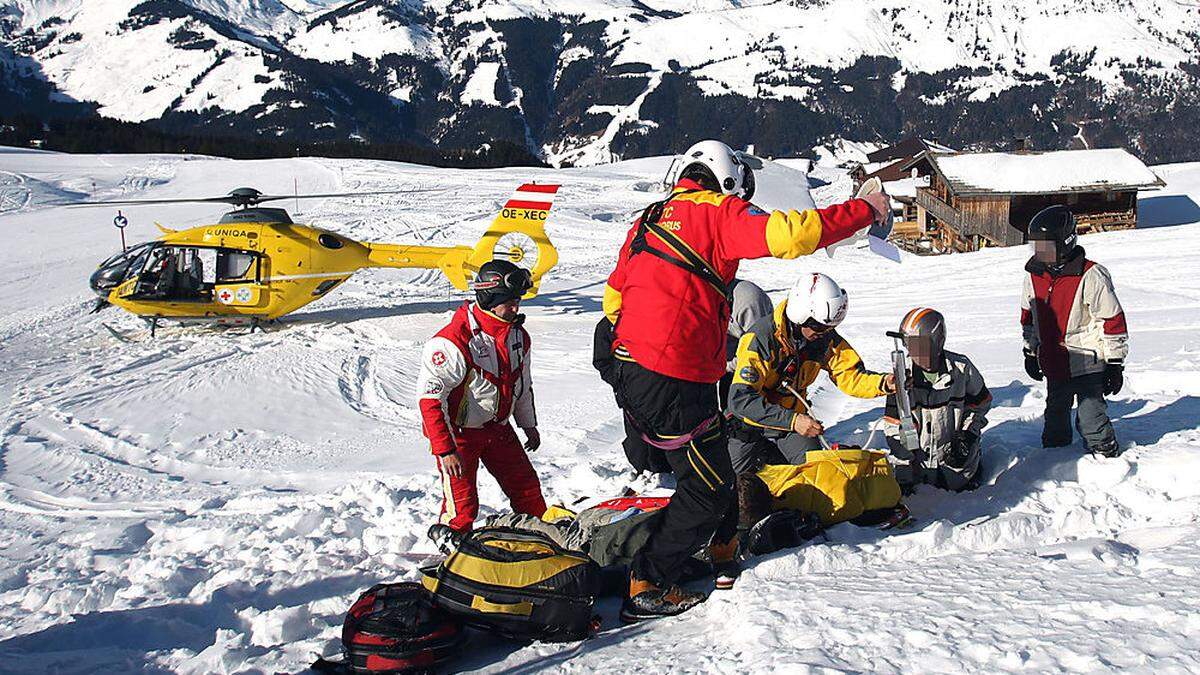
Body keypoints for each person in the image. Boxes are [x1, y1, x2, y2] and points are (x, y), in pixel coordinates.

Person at [602, 139, 891, 622]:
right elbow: (792, 235)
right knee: (709, 488)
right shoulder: (714, 213)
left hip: (635, 375)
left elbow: (614, 301)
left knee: (710, 471)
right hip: (674, 378)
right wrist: (865, 208)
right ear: (728, 178)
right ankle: (648, 579)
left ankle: (717, 549)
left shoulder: (648, 220)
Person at [593, 277, 772, 475]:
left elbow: (761, 349)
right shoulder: (612, 323)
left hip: (730, 368)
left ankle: (738, 459)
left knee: (731, 422)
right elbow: (603, 360)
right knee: (646, 441)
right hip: (662, 380)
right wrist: (625, 386)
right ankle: (653, 472)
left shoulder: (747, 299)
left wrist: (712, 368)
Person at [416, 260, 547, 532]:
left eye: (517, 301)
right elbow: (430, 402)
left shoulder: (518, 336)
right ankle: (452, 544)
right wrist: (445, 450)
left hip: (497, 428)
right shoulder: (452, 341)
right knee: (463, 506)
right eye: (508, 302)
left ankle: (540, 537)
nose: (515, 308)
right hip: (459, 435)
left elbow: (522, 383)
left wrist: (528, 424)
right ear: (489, 299)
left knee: (528, 491)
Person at [726, 272, 895, 475]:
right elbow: (741, 400)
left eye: (829, 327)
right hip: (752, 424)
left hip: (791, 427)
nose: (823, 332)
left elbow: (849, 374)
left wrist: (884, 383)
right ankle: (765, 455)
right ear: (800, 316)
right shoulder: (760, 338)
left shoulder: (822, 338)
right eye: (819, 326)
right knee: (727, 484)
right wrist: (793, 420)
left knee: (815, 475)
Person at [1020, 205, 1128, 457]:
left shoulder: (1091, 275)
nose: (1039, 252)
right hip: (1054, 362)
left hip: (1088, 363)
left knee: (1091, 418)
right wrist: (1030, 352)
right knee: (1055, 417)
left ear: (1064, 243)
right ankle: (1054, 459)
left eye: (1045, 246)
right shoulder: (1033, 275)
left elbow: (1112, 321)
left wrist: (1114, 363)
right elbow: (1029, 318)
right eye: (1035, 246)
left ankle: (1105, 454)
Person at [884, 308, 991, 492]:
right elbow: (893, 423)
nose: (913, 353)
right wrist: (904, 460)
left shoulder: (961, 369)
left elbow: (980, 405)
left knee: (960, 483)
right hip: (917, 467)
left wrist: (967, 435)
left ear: (937, 343)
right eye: (909, 345)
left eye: (920, 346)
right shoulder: (902, 376)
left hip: (955, 463)